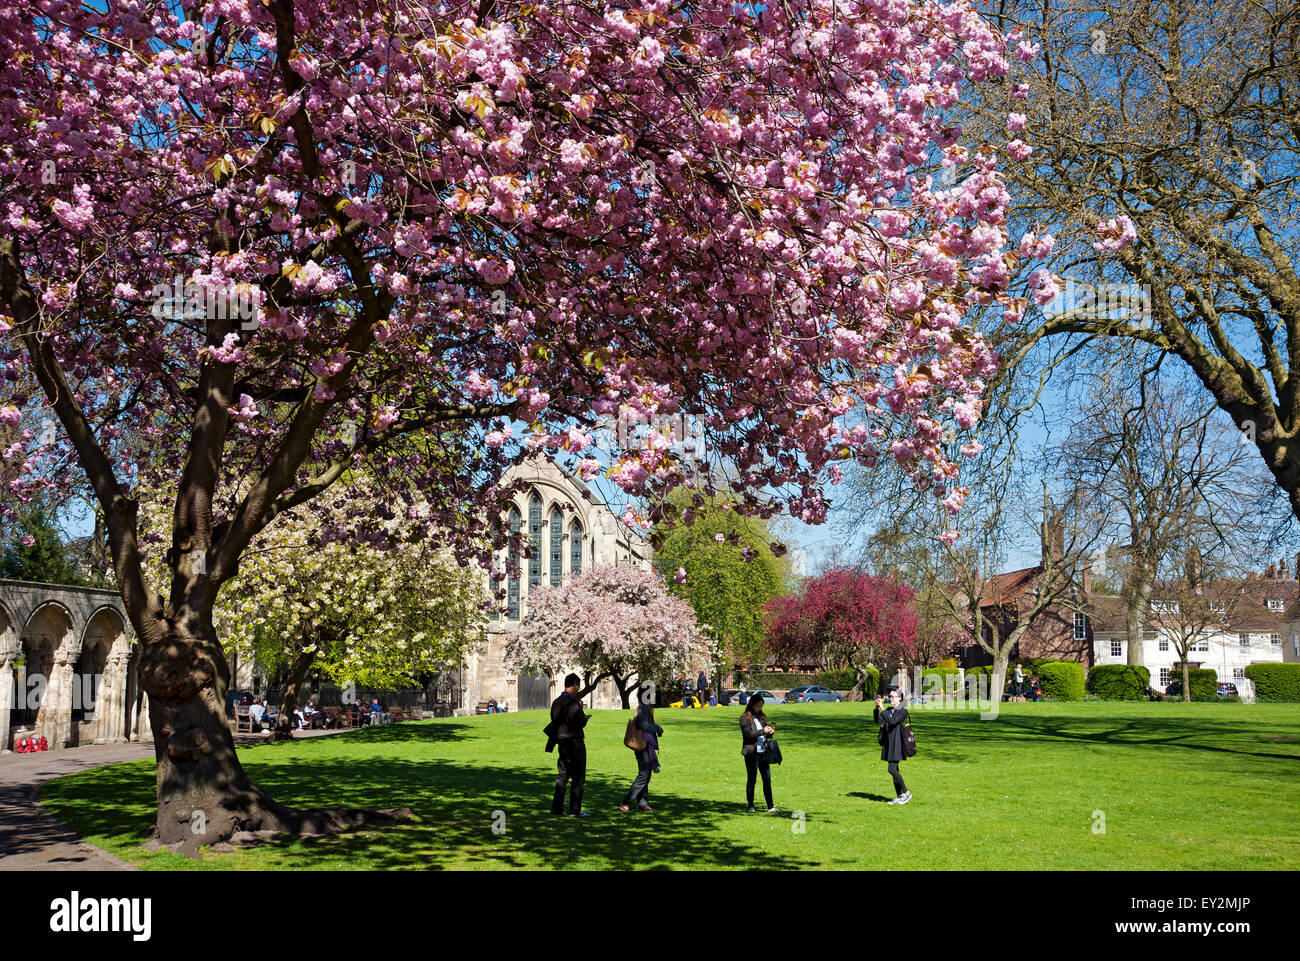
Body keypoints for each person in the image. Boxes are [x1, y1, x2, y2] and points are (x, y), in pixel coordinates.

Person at [548, 673, 590, 816]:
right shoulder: (574, 704)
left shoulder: (556, 702)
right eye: (578, 687)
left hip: (562, 743)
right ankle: (575, 810)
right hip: (575, 742)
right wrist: (585, 719)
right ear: (575, 686)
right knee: (578, 777)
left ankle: (557, 808)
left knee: (562, 776)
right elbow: (579, 722)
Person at [620, 699, 663, 813]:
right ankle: (626, 802)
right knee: (644, 775)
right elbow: (643, 725)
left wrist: (657, 728)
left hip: (645, 745)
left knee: (646, 774)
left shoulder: (646, 708)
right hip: (642, 745)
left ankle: (642, 804)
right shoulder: (643, 709)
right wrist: (656, 728)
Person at [740, 693, 779, 814]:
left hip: (763, 752)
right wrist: (762, 730)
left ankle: (770, 805)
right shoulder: (744, 717)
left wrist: (769, 732)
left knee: (767, 779)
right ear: (752, 704)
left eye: (762, 706)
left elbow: (764, 734)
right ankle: (750, 805)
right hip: (752, 752)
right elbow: (748, 735)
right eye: (758, 706)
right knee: (752, 779)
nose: (760, 708)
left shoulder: (762, 717)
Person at [874, 686, 912, 804]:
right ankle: (900, 796)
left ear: (899, 698)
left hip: (897, 744)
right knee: (894, 769)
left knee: (891, 769)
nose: (890, 699)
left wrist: (883, 709)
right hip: (889, 743)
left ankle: (906, 793)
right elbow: (878, 720)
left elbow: (892, 721)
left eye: (892, 697)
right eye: (889, 696)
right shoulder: (889, 710)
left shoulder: (903, 711)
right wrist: (876, 709)